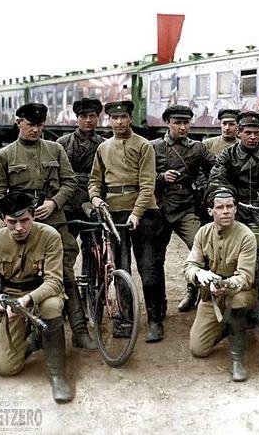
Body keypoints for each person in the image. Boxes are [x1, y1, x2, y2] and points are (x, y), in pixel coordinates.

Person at [0, 103, 96, 350]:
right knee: (28, 279)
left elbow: (69, 184)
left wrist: (54, 202)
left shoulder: (56, 149)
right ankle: (32, 335)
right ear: (19, 123)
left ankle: (80, 332)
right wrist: (18, 220)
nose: (36, 130)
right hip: (23, 233)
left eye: (40, 125)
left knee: (66, 276)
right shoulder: (5, 156)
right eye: (30, 125)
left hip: (56, 226)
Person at [0, 192, 72, 403]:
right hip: (10, 299)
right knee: (6, 367)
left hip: (41, 295)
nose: (19, 227)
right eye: (12, 221)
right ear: (4, 220)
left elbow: (54, 281)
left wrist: (27, 300)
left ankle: (57, 374)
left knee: (52, 306)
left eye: (25, 220)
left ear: (34, 217)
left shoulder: (50, 236)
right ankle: (33, 340)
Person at [89, 100, 163, 342]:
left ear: (130, 118)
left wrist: (137, 213)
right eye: (114, 118)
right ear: (108, 120)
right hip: (115, 216)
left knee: (149, 269)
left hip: (144, 215)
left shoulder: (144, 146)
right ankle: (126, 319)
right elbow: (94, 181)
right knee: (120, 269)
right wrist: (96, 198)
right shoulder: (103, 148)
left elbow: (147, 185)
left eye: (123, 117)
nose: (119, 122)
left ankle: (154, 321)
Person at [184, 188, 257, 381]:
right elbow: (189, 266)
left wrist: (228, 284)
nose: (225, 211)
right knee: (198, 349)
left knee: (238, 302)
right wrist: (201, 275)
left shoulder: (246, 236)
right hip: (212, 296)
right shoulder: (203, 233)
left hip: (238, 292)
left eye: (230, 206)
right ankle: (227, 326)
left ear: (235, 209)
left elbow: (246, 276)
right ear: (211, 211)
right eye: (220, 207)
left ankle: (237, 359)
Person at [151, 104, 215, 313]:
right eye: (177, 123)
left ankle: (192, 291)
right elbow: (140, 176)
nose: (182, 127)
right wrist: (160, 178)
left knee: (201, 251)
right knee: (155, 258)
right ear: (167, 123)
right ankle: (159, 306)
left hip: (186, 207)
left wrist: (209, 194)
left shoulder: (198, 148)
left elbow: (215, 171)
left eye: (186, 123)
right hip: (159, 208)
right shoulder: (153, 147)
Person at [56, 98, 106, 278]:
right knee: (64, 250)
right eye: (83, 116)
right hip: (67, 205)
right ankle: (65, 288)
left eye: (92, 116)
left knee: (93, 248)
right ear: (76, 118)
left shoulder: (104, 144)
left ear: (98, 118)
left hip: (91, 204)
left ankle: (92, 292)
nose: (88, 120)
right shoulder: (63, 143)